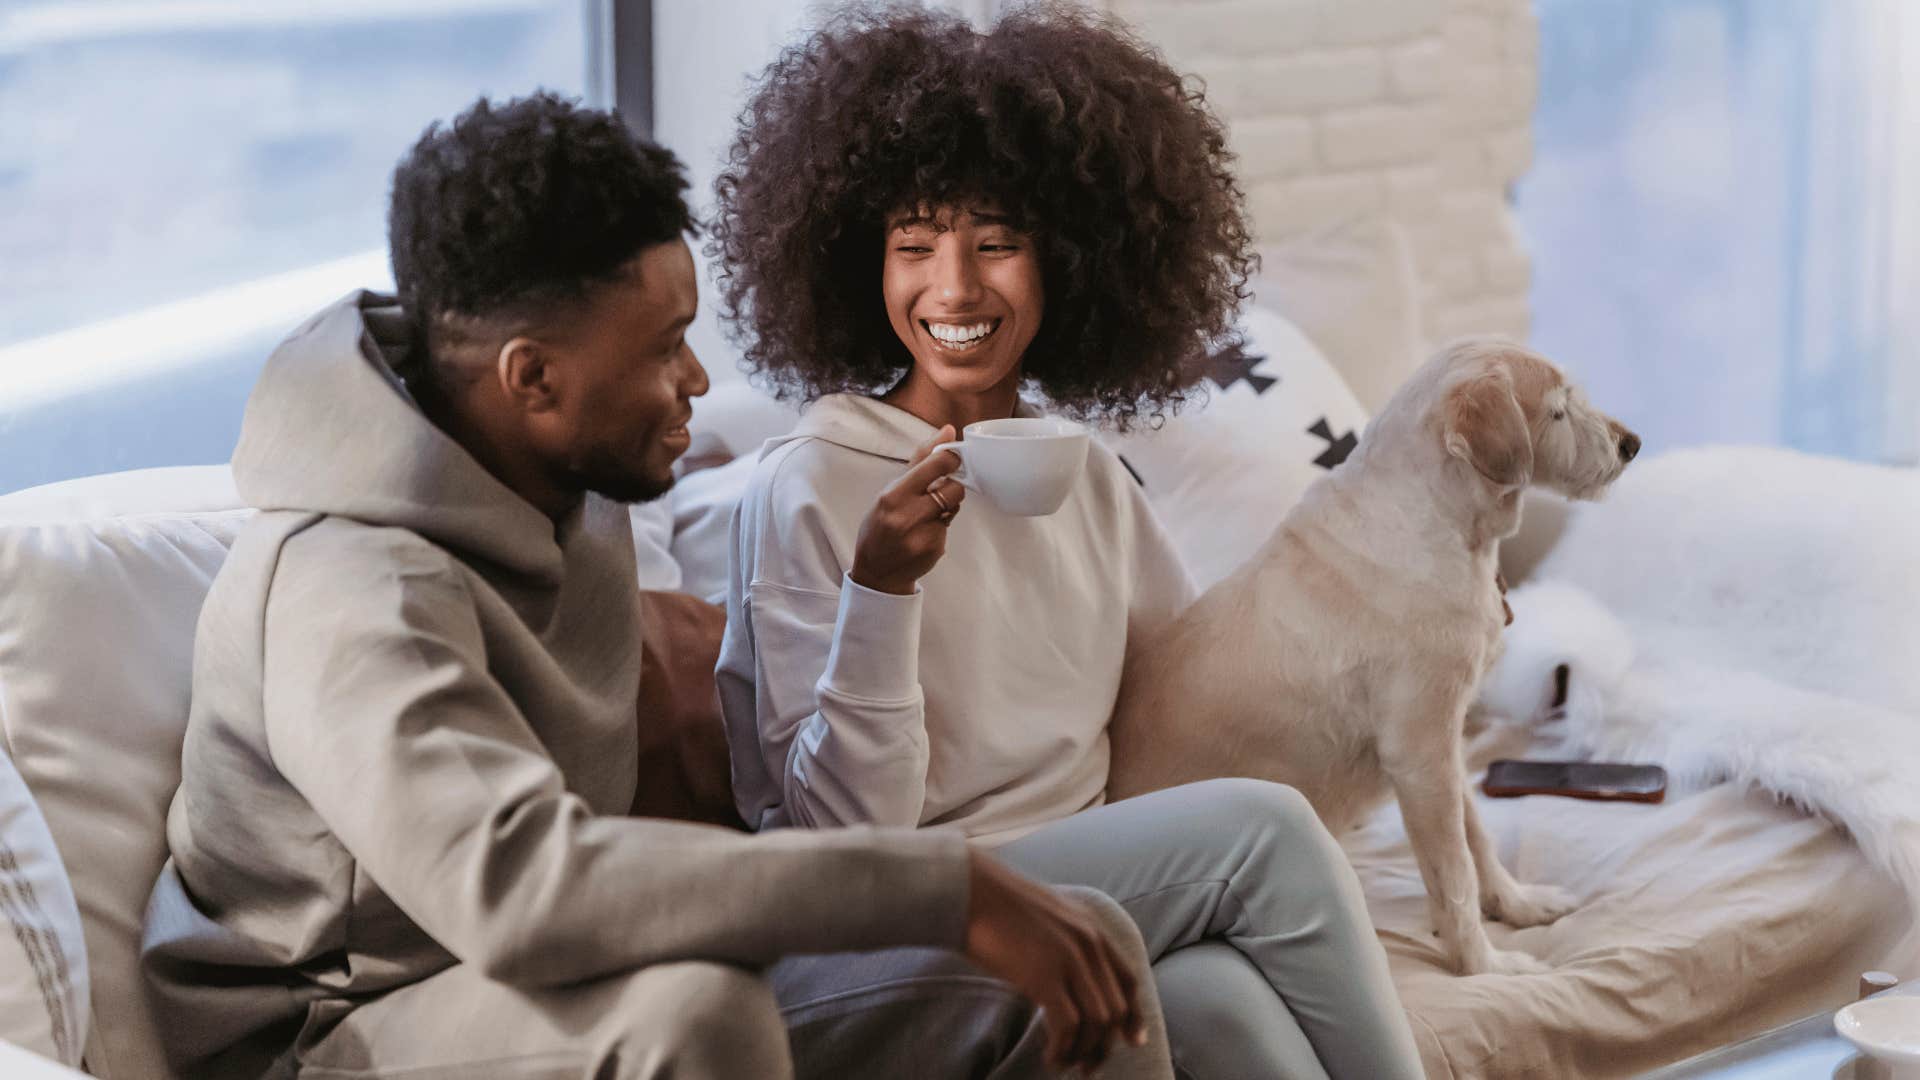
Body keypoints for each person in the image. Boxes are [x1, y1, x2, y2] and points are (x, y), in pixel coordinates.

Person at [139, 92, 1173, 1080]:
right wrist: (940, 887)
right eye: (665, 350)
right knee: (698, 1016)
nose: (698, 382)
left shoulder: (571, 484)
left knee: (1088, 945)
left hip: (572, 981)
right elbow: (522, 891)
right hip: (341, 1029)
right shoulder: (345, 592)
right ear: (531, 379)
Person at [711, 7, 1428, 1079]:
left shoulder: (1086, 471)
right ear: (864, 266)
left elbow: (1186, 704)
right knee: (1267, 835)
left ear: (1072, 261)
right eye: (915, 247)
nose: (953, 288)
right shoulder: (810, 484)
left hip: (1091, 894)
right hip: (900, 912)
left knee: (1222, 1005)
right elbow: (849, 835)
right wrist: (881, 590)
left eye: (996, 244)